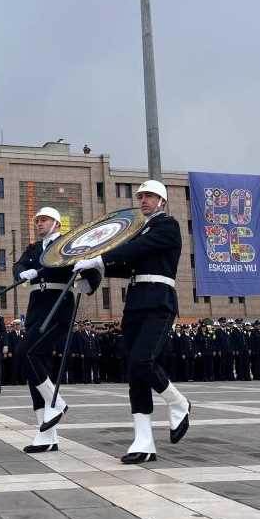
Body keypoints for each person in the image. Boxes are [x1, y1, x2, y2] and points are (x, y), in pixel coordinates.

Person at [73, 180, 190, 464]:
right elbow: (125, 265)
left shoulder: (167, 226)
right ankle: (143, 440)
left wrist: (98, 259)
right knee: (134, 373)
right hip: (136, 302)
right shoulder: (142, 230)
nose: (144, 200)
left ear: (162, 201)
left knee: (142, 361)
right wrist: (89, 273)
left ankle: (178, 402)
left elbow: (135, 250)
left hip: (159, 301)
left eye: (149, 196)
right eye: (141, 196)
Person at [12, 206, 75, 454]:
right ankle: (47, 434)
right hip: (37, 305)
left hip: (58, 304)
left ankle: (57, 403)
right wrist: (21, 273)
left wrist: (37, 270)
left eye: (44, 219)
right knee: (34, 367)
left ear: (57, 223)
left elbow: (62, 265)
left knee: (25, 353)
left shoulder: (65, 244)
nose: (39, 223)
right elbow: (17, 266)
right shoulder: (33, 248)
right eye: (37, 220)